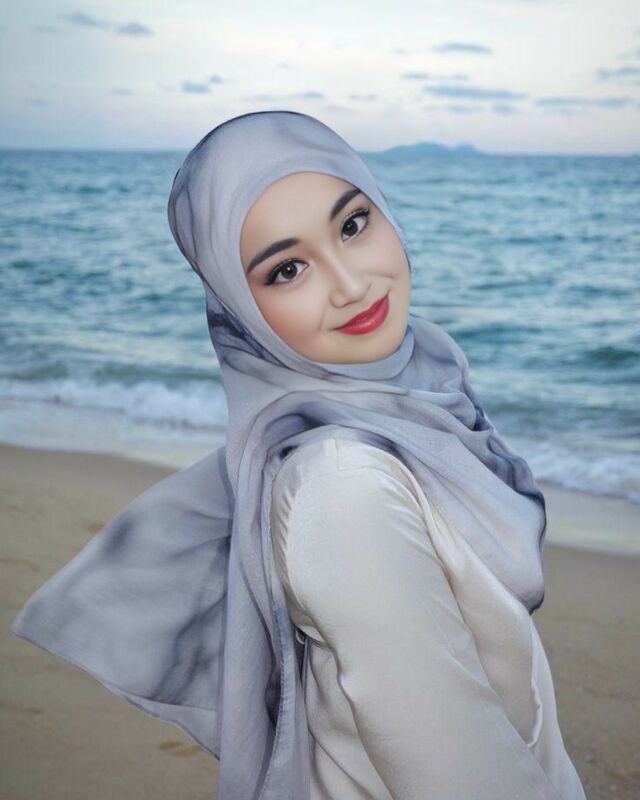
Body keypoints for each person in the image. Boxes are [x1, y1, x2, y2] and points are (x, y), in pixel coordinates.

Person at [11, 110, 587, 800]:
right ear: (239, 308)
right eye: (287, 269)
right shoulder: (345, 488)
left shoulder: (408, 409)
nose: (350, 284)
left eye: (353, 224)